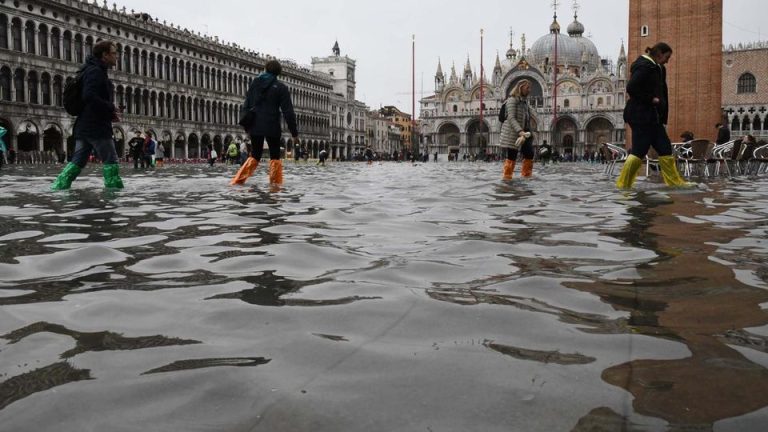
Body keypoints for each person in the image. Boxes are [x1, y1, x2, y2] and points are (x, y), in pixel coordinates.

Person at [616, 42, 690, 189]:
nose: (668, 60)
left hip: (652, 117)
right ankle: (623, 184)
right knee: (639, 150)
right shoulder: (645, 66)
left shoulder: (657, 68)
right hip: (640, 116)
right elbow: (631, 87)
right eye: (667, 57)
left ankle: (675, 183)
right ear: (659, 54)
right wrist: (651, 99)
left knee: (665, 148)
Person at [51, 40, 123, 190]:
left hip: (85, 126)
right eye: (114, 53)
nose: (117, 57)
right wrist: (110, 107)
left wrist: (109, 111)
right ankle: (114, 194)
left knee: (78, 161)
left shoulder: (90, 69)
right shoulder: (95, 71)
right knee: (111, 160)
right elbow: (89, 96)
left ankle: (58, 188)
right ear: (104, 55)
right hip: (96, 126)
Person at [231, 60, 299, 185]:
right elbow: (288, 112)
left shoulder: (255, 83)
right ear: (279, 73)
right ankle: (275, 186)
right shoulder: (281, 88)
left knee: (255, 155)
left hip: (255, 124)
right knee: (275, 156)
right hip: (272, 125)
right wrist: (294, 133)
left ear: (265, 69)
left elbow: (247, 104)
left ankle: (237, 181)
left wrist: (247, 125)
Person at [498, 79, 537, 179]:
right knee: (512, 156)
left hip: (524, 133)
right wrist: (520, 131)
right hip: (512, 133)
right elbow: (511, 117)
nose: (529, 90)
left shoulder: (524, 103)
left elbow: (527, 119)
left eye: (530, 88)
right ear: (520, 88)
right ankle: (507, 178)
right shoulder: (511, 100)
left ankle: (527, 176)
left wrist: (530, 132)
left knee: (529, 153)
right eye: (527, 88)